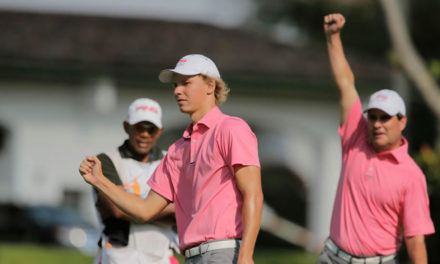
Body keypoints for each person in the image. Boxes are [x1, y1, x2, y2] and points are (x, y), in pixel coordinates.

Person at [79, 54, 264, 264]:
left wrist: (246, 255)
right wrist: (98, 180)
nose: (177, 91)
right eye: (176, 85)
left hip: (223, 252)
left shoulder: (231, 129)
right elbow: (144, 211)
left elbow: (253, 195)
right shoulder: (177, 151)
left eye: (186, 83)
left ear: (210, 85)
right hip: (191, 257)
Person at [317, 13, 435, 264]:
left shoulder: (411, 175)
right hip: (331, 257)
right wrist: (333, 37)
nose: (377, 124)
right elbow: (345, 84)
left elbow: (415, 240)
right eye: (373, 117)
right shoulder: (355, 136)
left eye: (385, 118)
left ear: (402, 121)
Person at [92, 98, 179, 264]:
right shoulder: (106, 161)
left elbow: (186, 209)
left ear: (160, 131)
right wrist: (166, 209)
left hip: (162, 255)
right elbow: (117, 209)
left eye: (151, 129)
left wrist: (134, 206)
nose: (145, 134)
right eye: (139, 127)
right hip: (117, 255)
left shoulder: (172, 160)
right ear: (126, 127)